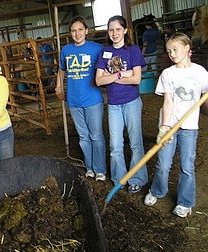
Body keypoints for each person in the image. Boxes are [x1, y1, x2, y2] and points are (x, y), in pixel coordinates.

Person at [144, 33, 208, 217]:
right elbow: (168, 102)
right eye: (169, 51)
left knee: (187, 166)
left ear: (188, 48)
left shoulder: (200, 73)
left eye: (175, 49)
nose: (171, 54)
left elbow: (204, 101)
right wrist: (164, 127)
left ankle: (185, 202)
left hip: (189, 127)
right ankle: (157, 191)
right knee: (163, 164)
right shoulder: (168, 74)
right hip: (170, 125)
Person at [95, 15, 148, 193]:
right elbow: (99, 81)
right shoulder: (104, 53)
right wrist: (120, 75)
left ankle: (137, 178)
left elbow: (136, 79)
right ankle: (119, 178)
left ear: (125, 30)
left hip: (132, 102)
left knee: (135, 142)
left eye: (118, 29)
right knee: (115, 144)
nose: (114, 33)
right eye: (111, 30)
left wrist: (110, 78)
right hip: (113, 105)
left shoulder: (133, 50)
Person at [55, 16, 107, 182]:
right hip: (74, 99)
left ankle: (100, 169)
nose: (77, 34)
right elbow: (61, 69)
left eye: (80, 30)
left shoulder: (97, 49)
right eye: (73, 31)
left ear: (86, 31)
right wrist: (58, 87)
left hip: (92, 98)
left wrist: (102, 79)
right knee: (83, 136)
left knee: (96, 135)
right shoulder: (66, 50)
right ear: (70, 33)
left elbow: (107, 67)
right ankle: (90, 167)